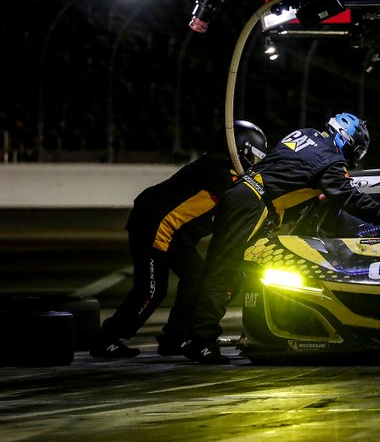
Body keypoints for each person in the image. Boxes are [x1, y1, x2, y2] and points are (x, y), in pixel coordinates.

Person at [183, 112, 380, 363]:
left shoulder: (307, 135)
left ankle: (186, 334)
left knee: (223, 270)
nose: (353, 160)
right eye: (356, 151)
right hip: (253, 203)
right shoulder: (330, 160)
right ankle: (201, 340)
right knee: (224, 271)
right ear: (346, 140)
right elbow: (350, 198)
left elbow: (290, 173)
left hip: (244, 195)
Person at [89, 120, 269, 358]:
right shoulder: (220, 170)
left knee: (195, 277)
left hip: (176, 234)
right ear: (241, 151)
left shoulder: (218, 165)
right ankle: (107, 339)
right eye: (254, 158)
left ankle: (174, 338)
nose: (254, 166)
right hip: (156, 227)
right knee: (151, 291)